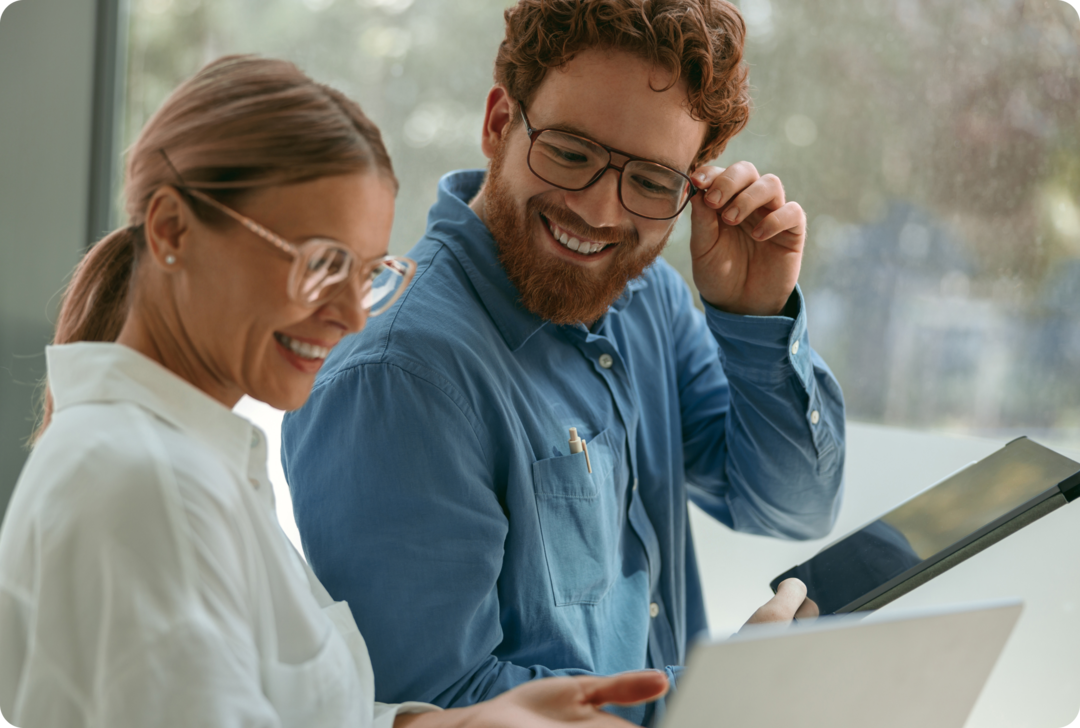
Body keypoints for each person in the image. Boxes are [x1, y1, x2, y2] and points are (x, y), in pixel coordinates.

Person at [0, 55, 671, 728]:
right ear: (173, 230)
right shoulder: (148, 489)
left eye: (366, 273)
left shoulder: (187, 469)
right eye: (320, 263)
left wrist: (455, 724)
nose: (352, 317)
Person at [281, 0, 844, 724]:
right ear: (497, 124)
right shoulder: (399, 375)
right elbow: (428, 703)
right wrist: (719, 697)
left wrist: (756, 320)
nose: (601, 211)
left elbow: (792, 504)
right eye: (572, 153)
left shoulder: (652, 301)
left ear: (691, 192)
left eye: (648, 182)